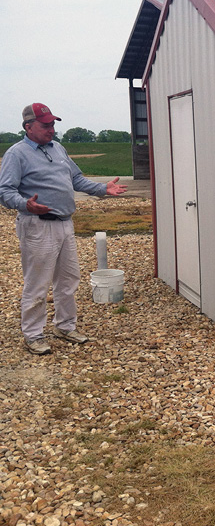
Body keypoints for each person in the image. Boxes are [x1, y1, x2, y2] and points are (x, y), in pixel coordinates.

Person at [0, 103, 127, 355]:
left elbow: (76, 179)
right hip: (37, 226)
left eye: (53, 124)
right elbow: (4, 192)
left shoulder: (57, 148)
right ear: (28, 127)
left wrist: (103, 189)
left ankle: (65, 326)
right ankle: (34, 334)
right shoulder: (17, 154)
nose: (52, 129)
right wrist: (26, 204)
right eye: (46, 125)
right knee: (37, 283)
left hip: (65, 223)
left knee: (68, 279)